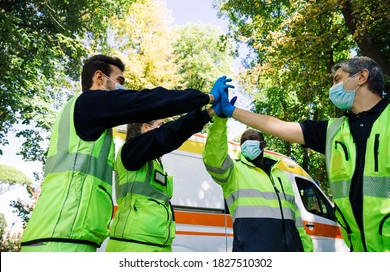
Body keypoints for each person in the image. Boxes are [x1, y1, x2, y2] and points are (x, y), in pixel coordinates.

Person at [20, 55, 231, 252]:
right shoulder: (87, 103)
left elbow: (167, 132)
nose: (122, 88)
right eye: (119, 80)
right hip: (61, 236)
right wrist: (207, 98)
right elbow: (149, 107)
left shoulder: (83, 117)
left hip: (63, 231)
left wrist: (208, 112)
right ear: (100, 78)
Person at [217, 56, 389, 252]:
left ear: (362, 77)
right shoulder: (334, 131)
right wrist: (230, 111)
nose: (333, 87)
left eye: (338, 79)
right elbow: (278, 126)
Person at [202, 107, 313, 251]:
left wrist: (307, 250)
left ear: (263, 144)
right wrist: (220, 122)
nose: (247, 142)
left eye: (252, 138)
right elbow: (214, 158)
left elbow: (296, 219)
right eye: (243, 141)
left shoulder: (281, 175)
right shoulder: (234, 171)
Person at [106, 106, 215, 252]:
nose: (162, 130)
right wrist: (205, 114)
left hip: (157, 244)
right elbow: (169, 135)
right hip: (134, 244)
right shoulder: (130, 150)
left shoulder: (154, 163)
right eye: (160, 126)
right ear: (145, 127)